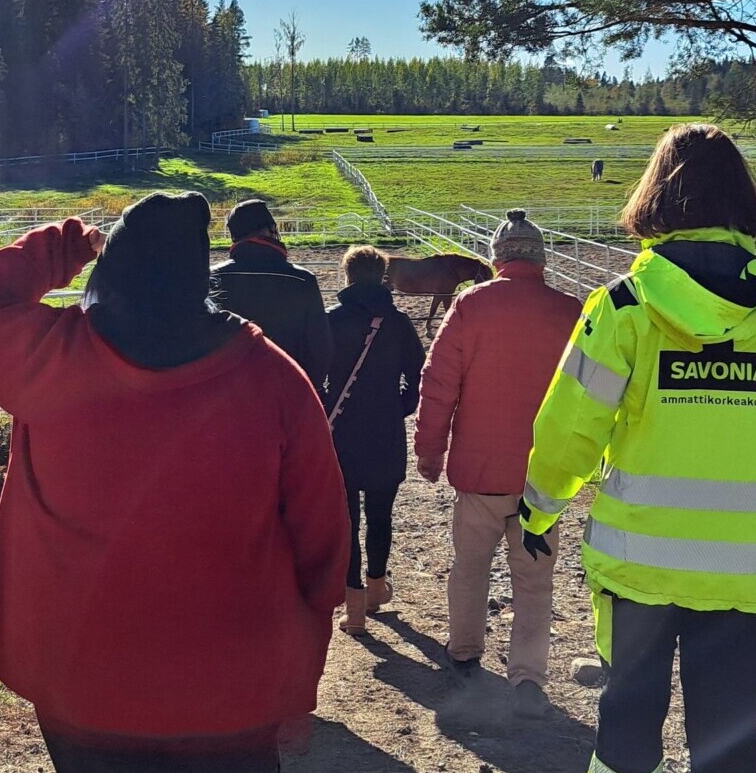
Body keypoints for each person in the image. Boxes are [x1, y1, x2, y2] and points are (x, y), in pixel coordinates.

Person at [0, 193, 349, 773]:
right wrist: (299, 679)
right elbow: (323, 545)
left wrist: (63, 245)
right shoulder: (273, 376)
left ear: (116, 267)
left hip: (86, 684)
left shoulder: (53, 353)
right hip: (235, 690)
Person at [519, 123, 756, 773]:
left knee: (629, 724)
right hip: (751, 573)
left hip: (640, 569)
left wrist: (538, 510)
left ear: (656, 193)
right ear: (743, 200)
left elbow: (569, 430)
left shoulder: (621, 307)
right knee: (727, 738)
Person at [413, 209, 581, 717]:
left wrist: (429, 449)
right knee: (535, 578)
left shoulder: (470, 307)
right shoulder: (572, 311)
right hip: (544, 477)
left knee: (470, 566)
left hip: (481, 472)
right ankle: (528, 674)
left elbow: (439, 383)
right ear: (541, 258)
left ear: (498, 256)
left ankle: (465, 651)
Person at [321, 244, 426, 636]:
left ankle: (355, 608)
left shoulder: (330, 319)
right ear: (383, 276)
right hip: (385, 429)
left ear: (347, 276)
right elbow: (418, 373)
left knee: (347, 518)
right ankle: (378, 586)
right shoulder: (397, 324)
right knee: (381, 514)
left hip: (342, 430)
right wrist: (401, 405)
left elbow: (315, 375)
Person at [210, 198, 333, 385]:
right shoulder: (302, 279)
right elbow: (319, 349)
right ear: (270, 231)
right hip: (285, 390)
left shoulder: (213, 277)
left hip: (226, 393)